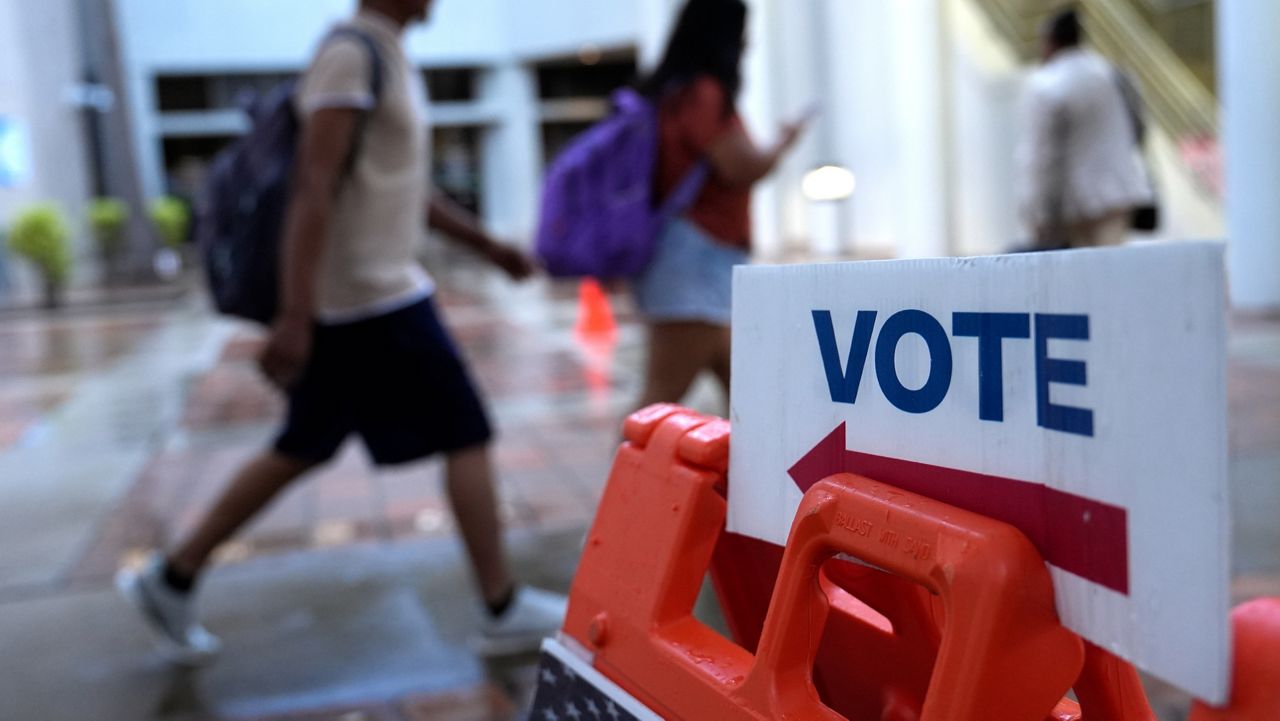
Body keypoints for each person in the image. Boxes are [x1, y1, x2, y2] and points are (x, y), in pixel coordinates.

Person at [118, 0, 565, 663]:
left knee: (305, 442)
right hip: (369, 297)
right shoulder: (351, 55)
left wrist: (489, 248)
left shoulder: (384, 52)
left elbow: (403, 189)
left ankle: (173, 575)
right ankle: (500, 604)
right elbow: (312, 186)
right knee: (466, 430)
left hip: (363, 296)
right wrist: (295, 315)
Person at [631, 0, 808, 410]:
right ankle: (620, 475)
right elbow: (739, 168)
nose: (747, 43)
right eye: (742, 32)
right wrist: (785, 142)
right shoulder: (702, 94)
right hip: (695, 256)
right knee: (660, 396)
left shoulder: (675, 91)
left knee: (749, 389)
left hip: (699, 256)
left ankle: (751, 473)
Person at [1017, 8, 1154, 249]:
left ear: (1050, 42)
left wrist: (1038, 212)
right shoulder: (1111, 73)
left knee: (1078, 278)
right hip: (1118, 195)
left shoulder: (1046, 84)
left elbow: (1043, 158)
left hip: (1076, 204)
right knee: (1111, 270)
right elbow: (1139, 128)